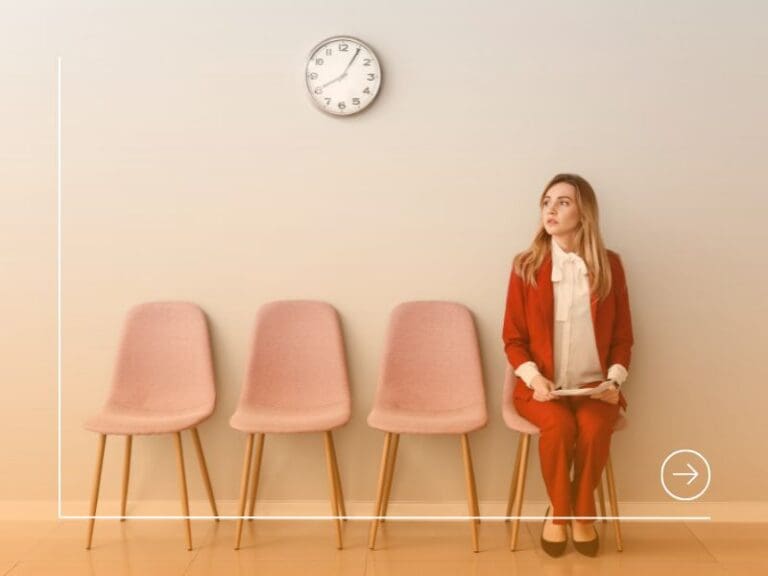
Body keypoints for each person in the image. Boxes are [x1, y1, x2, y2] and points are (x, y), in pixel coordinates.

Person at [502, 173, 634, 557]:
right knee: (558, 429)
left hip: (595, 389)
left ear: (584, 212)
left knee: (593, 429)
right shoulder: (526, 266)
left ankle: (570, 513)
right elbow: (513, 339)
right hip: (542, 388)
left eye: (563, 202)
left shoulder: (611, 266)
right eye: (546, 202)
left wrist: (614, 380)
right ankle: (569, 515)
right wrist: (534, 378)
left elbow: (623, 337)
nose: (551, 209)